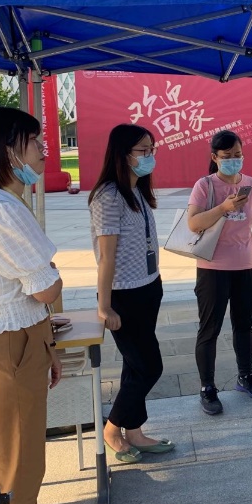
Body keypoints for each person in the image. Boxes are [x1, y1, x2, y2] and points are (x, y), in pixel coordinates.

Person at [0, 107, 63, 504]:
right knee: (19, 463)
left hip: (24, 337)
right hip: (10, 345)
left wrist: (46, 346)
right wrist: (53, 276)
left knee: (21, 456)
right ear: (6, 150)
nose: (43, 149)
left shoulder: (3, 202)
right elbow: (45, 287)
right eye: (33, 141)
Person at [88, 124, 173, 463]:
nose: (149, 156)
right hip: (124, 294)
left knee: (134, 366)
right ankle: (112, 428)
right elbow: (106, 257)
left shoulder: (136, 190)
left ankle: (134, 431)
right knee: (149, 366)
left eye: (152, 149)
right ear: (123, 154)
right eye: (143, 150)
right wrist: (104, 306)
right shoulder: (109, 196)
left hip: (148, 286)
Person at [187, 130, 252, 415]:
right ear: (215, 157)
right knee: (209, 329)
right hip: (213, 269)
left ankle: (245, 376)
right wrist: (224, 207)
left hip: (247, 266)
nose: (234, 160)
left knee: (244, 325)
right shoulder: (205, 185)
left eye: (238, 155)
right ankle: (207, 387)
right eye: (227, 156)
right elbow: (194, 223)